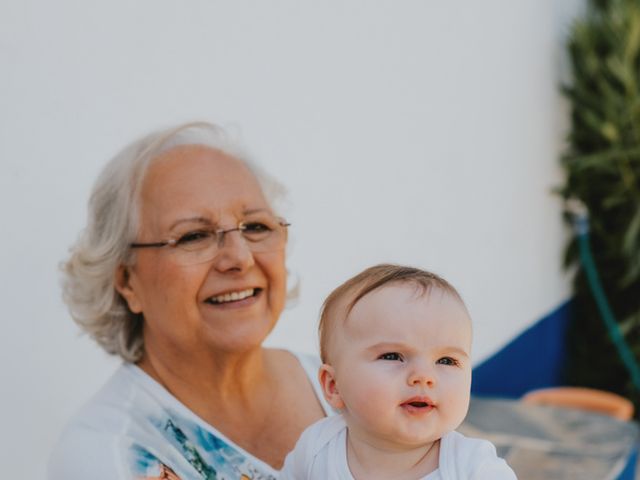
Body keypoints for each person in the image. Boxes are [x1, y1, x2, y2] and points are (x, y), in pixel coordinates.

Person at [48, 122, 331, 479]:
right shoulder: (109, 454)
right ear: (127, 281)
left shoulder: (357, 386)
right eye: (194, 236)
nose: (240, 258)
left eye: (256, 227)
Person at [280, 264, 517, 480]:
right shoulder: (317, 449)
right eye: (393, 356)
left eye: (446, 360)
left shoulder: (474, 468)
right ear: (334, 385)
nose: (424, 376)